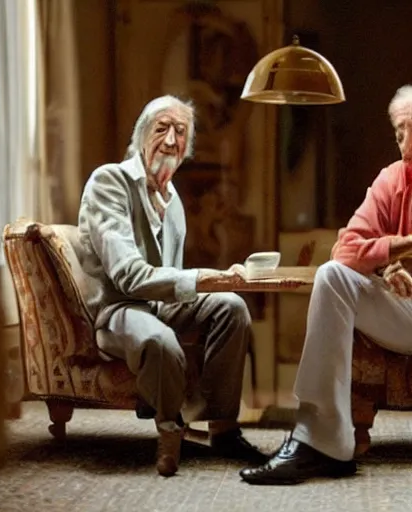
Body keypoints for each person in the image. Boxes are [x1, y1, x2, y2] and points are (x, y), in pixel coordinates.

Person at [76, 95, 266, 477]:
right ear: (141, 136)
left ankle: (223, 428)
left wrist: (218, 284)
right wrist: (206, 278)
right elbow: (129, 277)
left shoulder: (172, 198)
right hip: (120, 308)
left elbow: (170, 279)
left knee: (231, 306)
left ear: (187, 148)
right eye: (161, 128)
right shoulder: (109, 181)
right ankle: (169, 430)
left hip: (157, 305)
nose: (170, 139)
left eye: (181, 132)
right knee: (160, 340)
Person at [240, 84, 412, 485]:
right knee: (332, 276)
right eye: (398, 131)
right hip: (406, 314)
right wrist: (394, 258)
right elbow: (344, 249)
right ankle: (322, 441)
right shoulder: (393, 179)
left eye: (410, 129)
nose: (404, 142)